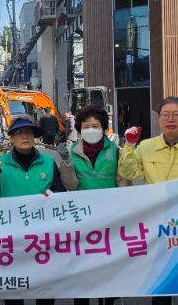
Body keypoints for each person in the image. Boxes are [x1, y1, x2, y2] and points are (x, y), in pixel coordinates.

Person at [118, 96, 178, 305]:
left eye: (176, 115)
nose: (170, 119)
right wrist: (129, 145)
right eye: (165, 115)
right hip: (158, 227)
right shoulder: (146, 147)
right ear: (159, 119)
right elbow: (128, 172)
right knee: (161, 285)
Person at [0, 115, 64, 305]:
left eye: (28, 132)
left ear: (34, 137)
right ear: (11, 138)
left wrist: (53, 196)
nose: (24, 136)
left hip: (41, 237)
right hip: (11, 238)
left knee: (44, 289)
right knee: (14, 290)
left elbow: (60, 193)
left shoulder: (48, 162)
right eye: (19, 133)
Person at [58, 106, 119, 305]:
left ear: (103, 128)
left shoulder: (115, 151)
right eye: (86, 126)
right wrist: (65, 161)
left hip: (110, 218)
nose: (90, 130)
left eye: (95, 125)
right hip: (81, 220)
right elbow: (71, 185)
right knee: (82, 267)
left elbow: (123, 183)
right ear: (79, 129)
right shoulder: (72, 152)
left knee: (108, 266)